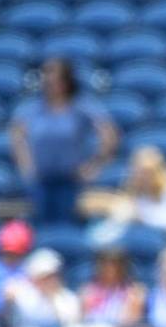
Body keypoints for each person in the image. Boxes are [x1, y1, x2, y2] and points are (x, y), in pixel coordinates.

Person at [11, 58, 120, 223]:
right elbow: (17, 134)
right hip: (41, 180)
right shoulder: (34, 108)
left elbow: (109, 134)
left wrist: (95, 165)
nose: (49, 84)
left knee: (66, 227)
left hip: (71, 182)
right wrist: (26, 165)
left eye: (54, 79)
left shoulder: (81, 106)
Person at [1, 248, 80, 327]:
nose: (49, 280)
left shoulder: (68, 299)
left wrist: (53, 300)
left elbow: (69, 326)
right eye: (45, 276)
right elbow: (8, 322)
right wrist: (8, 303)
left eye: (52, 275)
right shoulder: (22, 295)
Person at [81, 145, 166, 236]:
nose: (141, 176)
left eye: (147, 172)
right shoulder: (134, 185)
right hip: (136, 231)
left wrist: (140, 217)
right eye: (137, 171)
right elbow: (126, 206)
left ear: (158, 171)